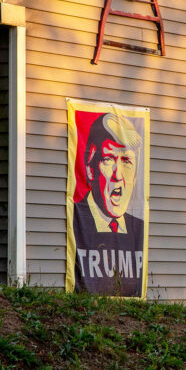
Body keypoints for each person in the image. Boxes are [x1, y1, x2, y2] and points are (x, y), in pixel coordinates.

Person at [73, 112, 144, 296]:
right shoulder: (75, 220)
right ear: (90, 168)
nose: (118, 175)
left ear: (135, 175)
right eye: (108, 159)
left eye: (126, 160)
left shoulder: (139, 227)